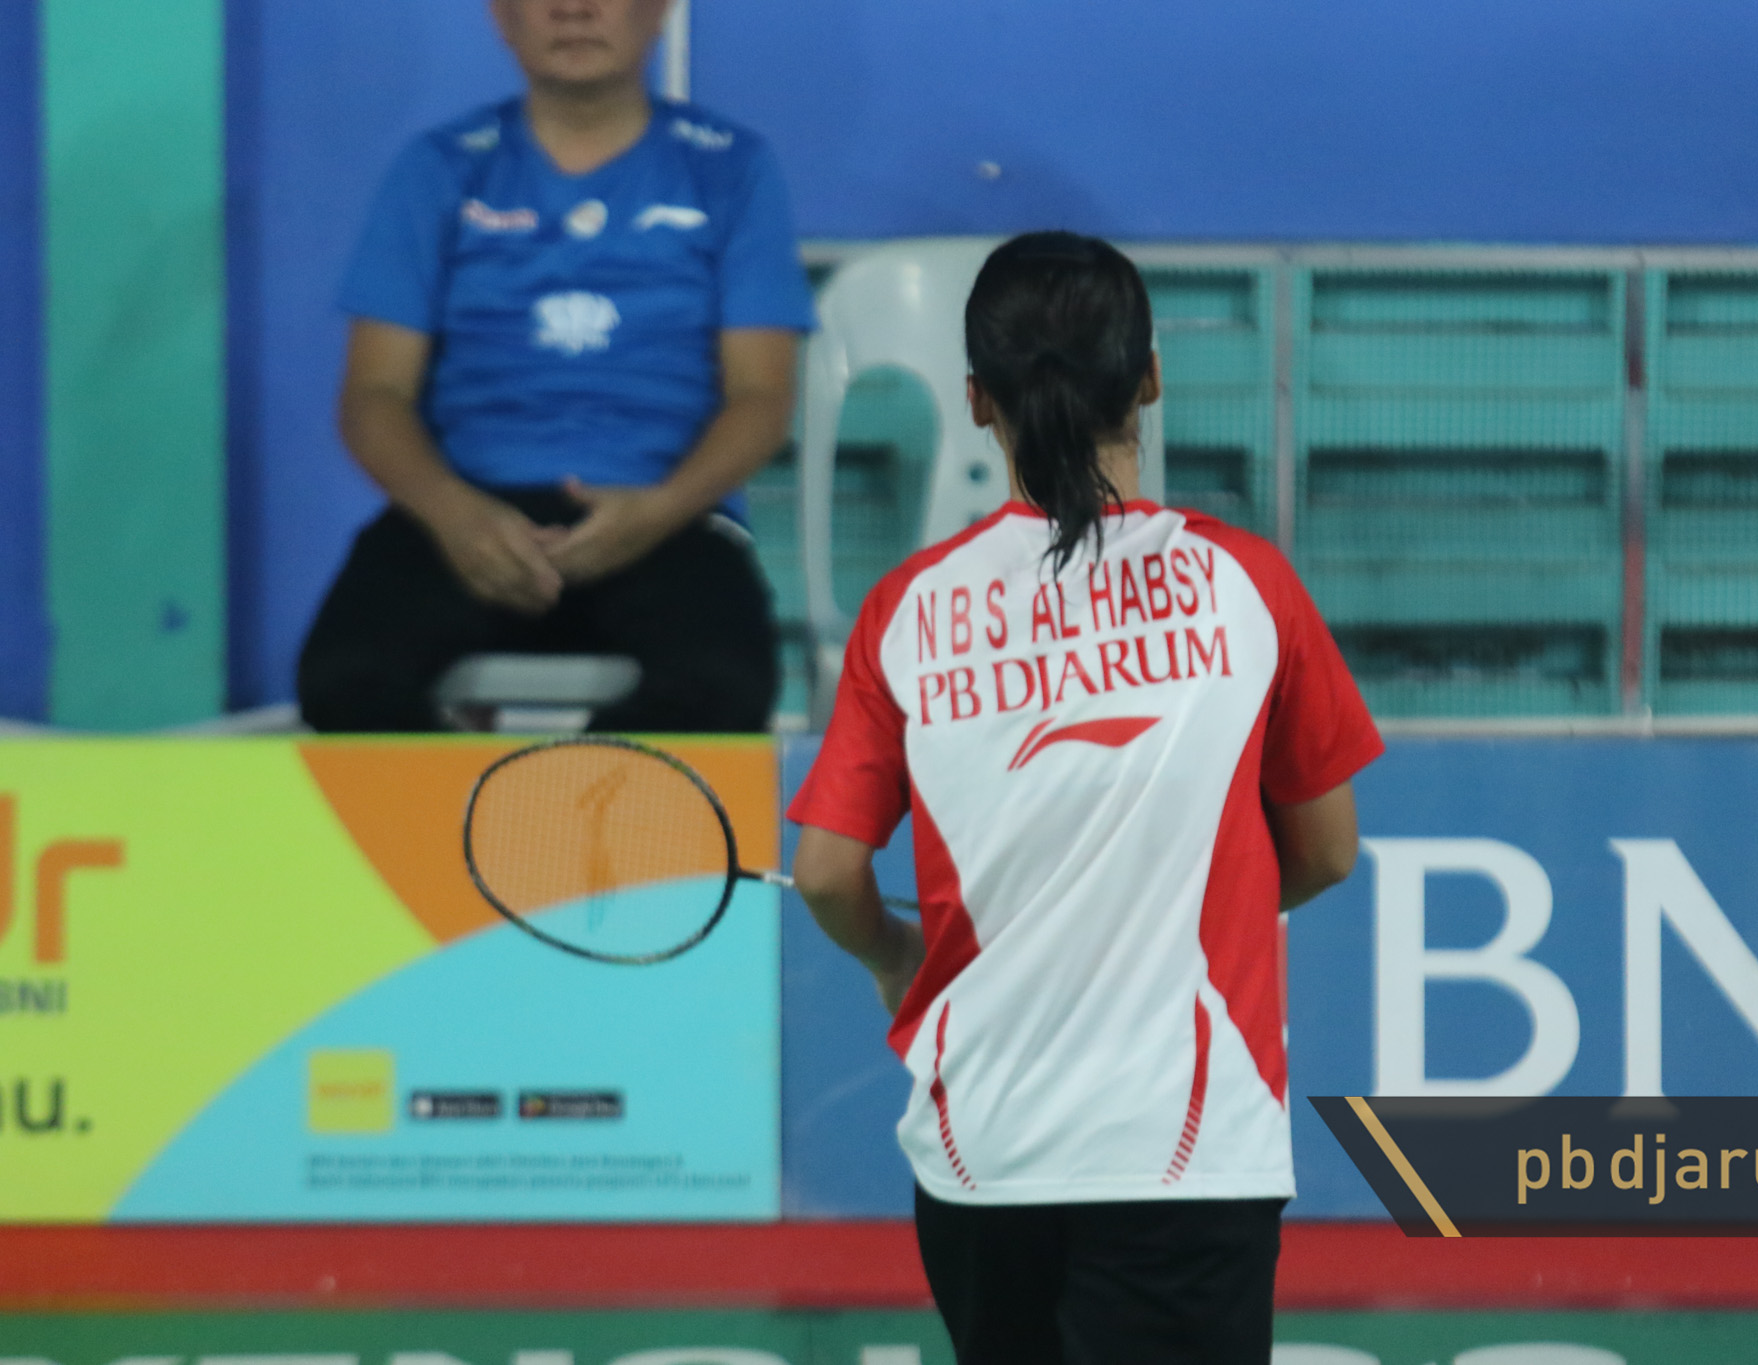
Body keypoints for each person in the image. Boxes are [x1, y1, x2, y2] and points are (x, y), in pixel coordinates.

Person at [787, 232, 1383, 1365]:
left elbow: (824, 872)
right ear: (1148, 378)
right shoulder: (1244, 583)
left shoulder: (908, 609)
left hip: (980, 1155)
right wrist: (1174, 906)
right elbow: (1325, 851)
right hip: (1184, 1148)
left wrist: (893, 956)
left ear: (976, 400)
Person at [298, 0, 814, 733]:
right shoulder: (439, 166)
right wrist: (454, 514)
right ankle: (470, 811)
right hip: (466, 517)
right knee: (344, 678)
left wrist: (657, 512)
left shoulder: (732, 168)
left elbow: (761, 397)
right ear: (502, 16)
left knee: (721, 684)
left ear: (660, 11)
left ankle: (570, 807)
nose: (574, 9)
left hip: (667, 517)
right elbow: (374, 395)